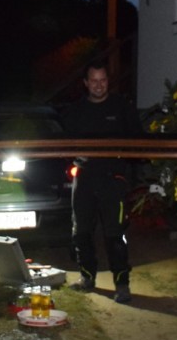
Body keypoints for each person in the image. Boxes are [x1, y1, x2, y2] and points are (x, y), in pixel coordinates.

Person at [59, 61, 142, 303]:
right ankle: (87, 277)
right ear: (86, 83)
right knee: (81, 232)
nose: (98, 85)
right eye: (94, 81)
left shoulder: (122, 107)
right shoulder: (75, 111)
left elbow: (138, 140)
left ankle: (122, 284)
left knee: (115, 234)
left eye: (103, 80)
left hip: (113, 180)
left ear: (108, 81)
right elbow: (64, 145)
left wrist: (128, 167)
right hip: (84, 177)